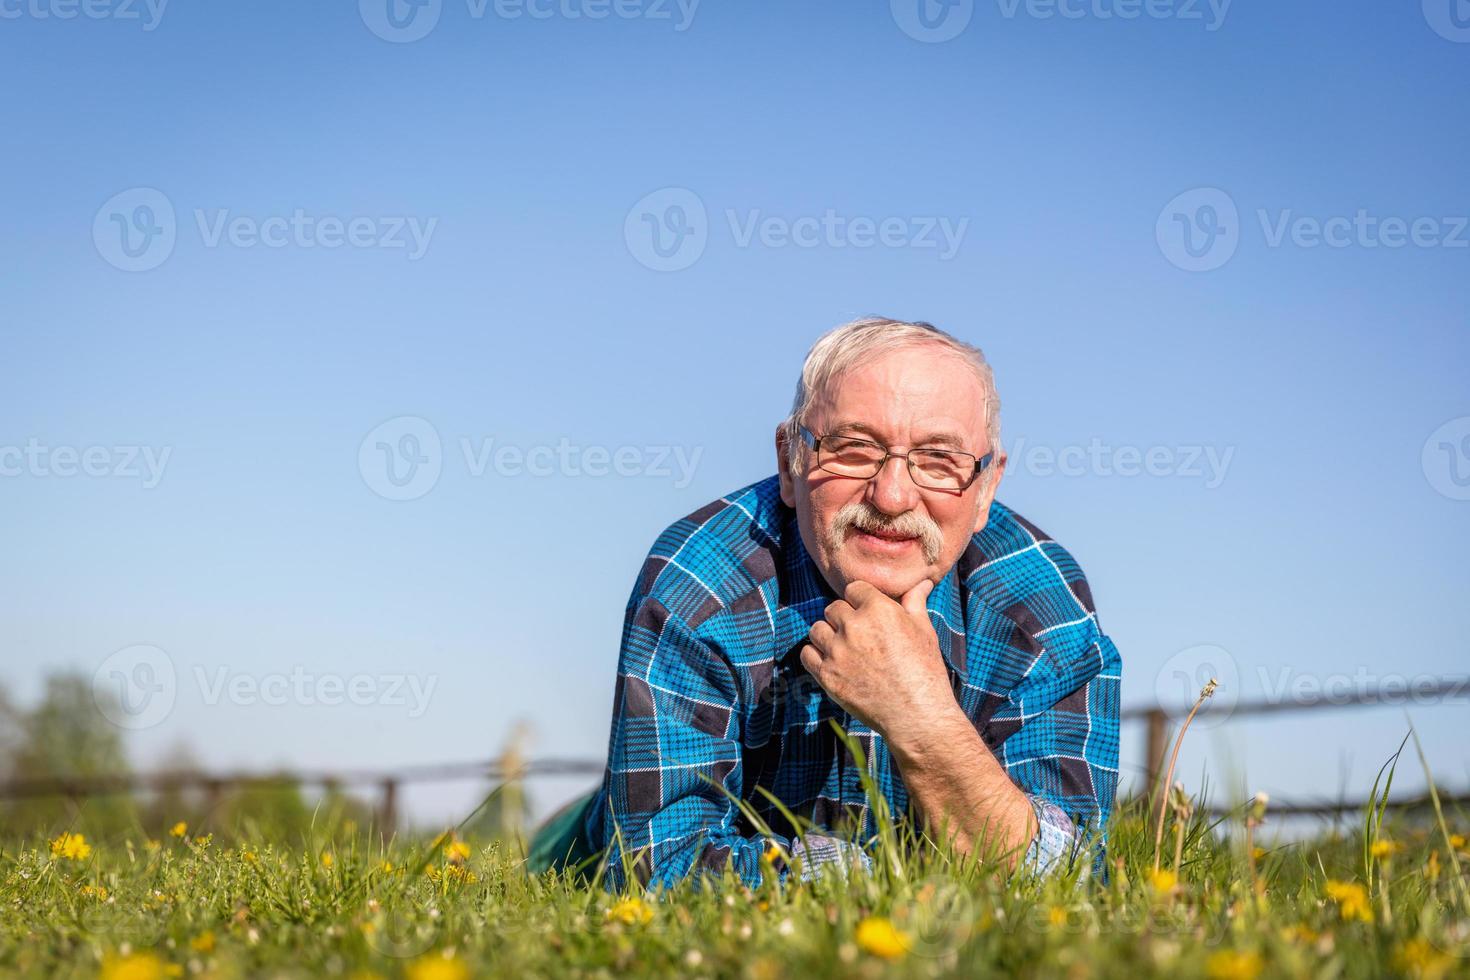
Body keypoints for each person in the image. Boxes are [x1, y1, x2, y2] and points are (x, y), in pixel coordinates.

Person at [527, 317, 1121, 889]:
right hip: (589, 846)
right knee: (560, 856)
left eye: (938, 461)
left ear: (987, 486)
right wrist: (860, 883)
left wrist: (921, 716)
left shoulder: (1041, 606)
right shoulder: (698, 583)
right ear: (790, 461)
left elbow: (1063, 881)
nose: (891, 496)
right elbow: (655, 866)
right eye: (853, 449)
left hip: (802, 869)